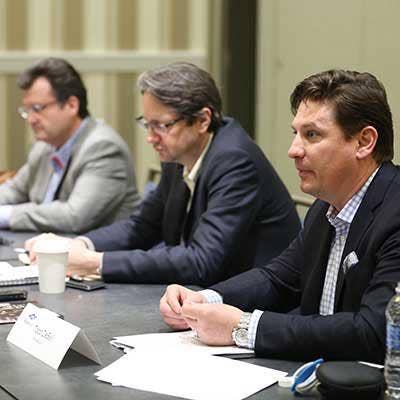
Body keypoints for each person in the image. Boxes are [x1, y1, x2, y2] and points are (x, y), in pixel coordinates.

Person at [160, 69, 400, 363]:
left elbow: (374, 332)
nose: (293, 150)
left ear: (364, 142)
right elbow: (278, 279)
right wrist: (203, 300)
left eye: (312, 135)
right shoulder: (324, 207)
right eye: (295, 134)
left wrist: (243, 327)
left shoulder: (394, 213)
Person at [26, 62, 301, 286]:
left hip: (255, 302)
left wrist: (95, 262)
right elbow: (142, 226)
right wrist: (78, 244)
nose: (150, 138)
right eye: (147, 124)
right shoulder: (180, 152)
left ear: (202, 120)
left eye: (161, 126)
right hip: (206, 293)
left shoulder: (235, 161)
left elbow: (202, 261)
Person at [0, 57, 140, 233]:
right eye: (27, 110)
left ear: (71, 105)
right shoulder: (44, 146)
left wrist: (7, 215)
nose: (31, 119)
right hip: (49, 244)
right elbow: (15, 190)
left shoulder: (103, 148)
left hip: (94, 247)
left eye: (37, 108)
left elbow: (75, 217)